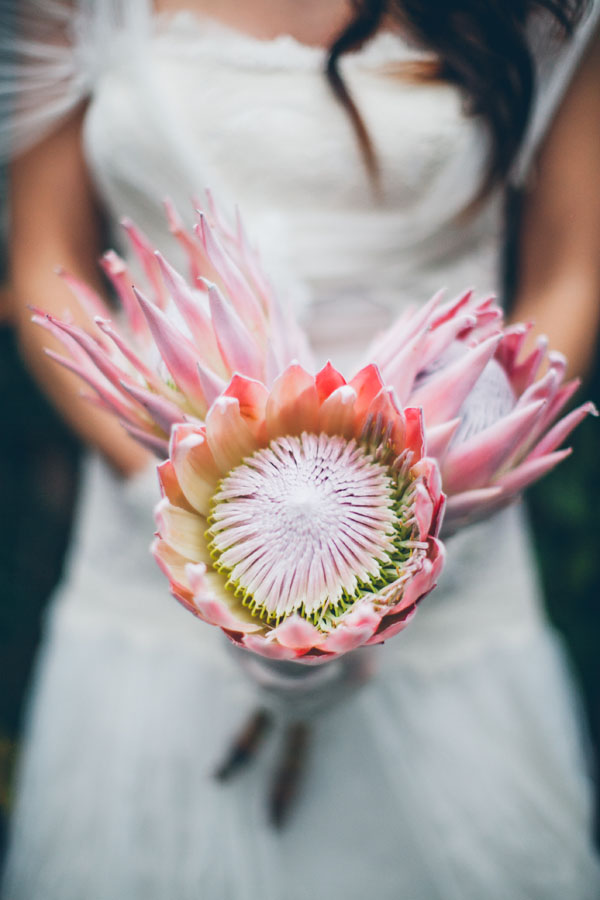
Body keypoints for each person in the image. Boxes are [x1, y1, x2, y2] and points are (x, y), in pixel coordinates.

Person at [2, 1, 600, 897]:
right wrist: (184, 503)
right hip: (149, 522)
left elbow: (569, 271)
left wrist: (445, 499)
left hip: (451, 531)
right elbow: (48, 259)